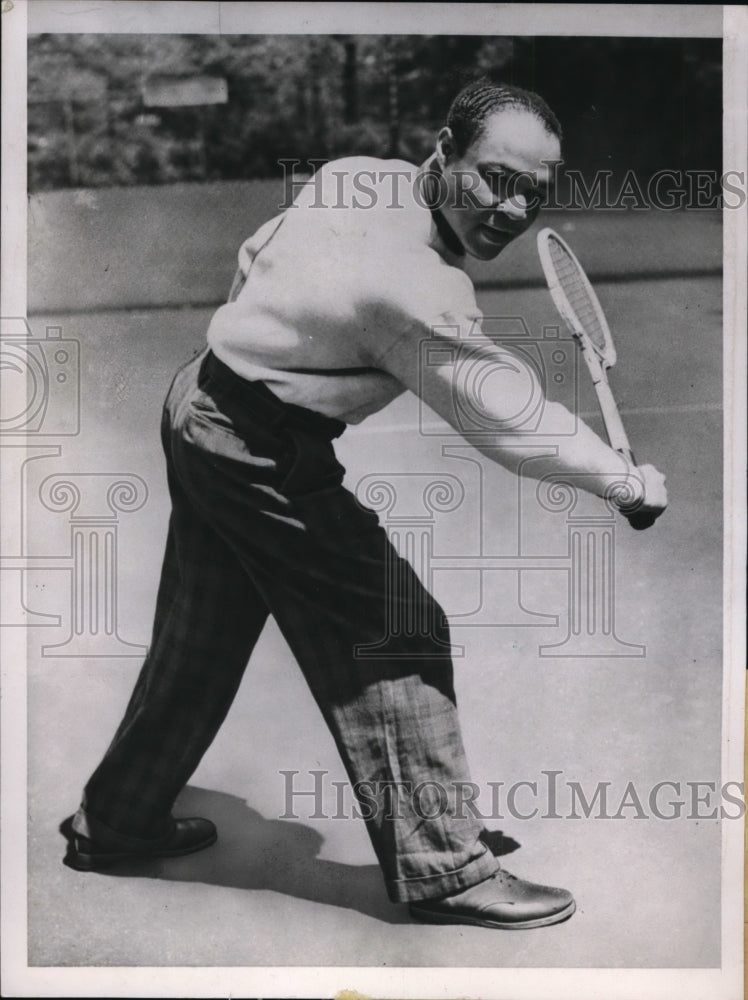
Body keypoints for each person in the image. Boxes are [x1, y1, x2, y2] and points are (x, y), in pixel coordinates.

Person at [63, 81, 667, 930]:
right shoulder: (419, 290)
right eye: (495, 177)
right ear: (443, 153)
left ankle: (117, 821)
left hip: (200, 397)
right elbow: (507, 417)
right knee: (396, 627)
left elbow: (255, 253)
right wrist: (623, 481)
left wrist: (276, 351)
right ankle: (447, 869)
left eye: (537, 190)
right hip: (255, 450)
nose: (512, 207)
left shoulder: (358, 174)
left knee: (207, 627)